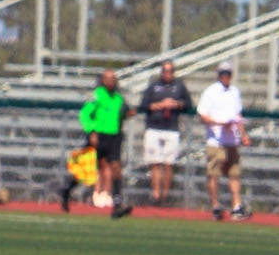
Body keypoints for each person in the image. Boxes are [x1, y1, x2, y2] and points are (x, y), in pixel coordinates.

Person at [74, 70, 133, 219]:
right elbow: (85, 113)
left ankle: (116, 201)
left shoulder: (119, 98)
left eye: (113, 78)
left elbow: (122, 113)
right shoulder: (98, 95)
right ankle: (78, 191)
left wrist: (127, 114)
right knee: (92, 166)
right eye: (107, 78)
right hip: (99, 135)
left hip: (113, 136)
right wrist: (91, 131)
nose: (111, 81)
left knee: (114, 167)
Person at [197, 61, 252, 221]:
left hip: (231, 139)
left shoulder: (235, 92)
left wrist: (243, 135)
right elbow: (203, 115)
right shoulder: (211, 92)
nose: (225, 77)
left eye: (228, 74)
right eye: (223, 74)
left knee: (234, 173)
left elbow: (238, 116)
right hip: (216, 139)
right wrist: (219, 122)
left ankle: (236, 206)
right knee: (214, 173)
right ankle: (215, 206)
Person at [137, 60, 191, 205]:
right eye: (165, 70)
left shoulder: (179, 86)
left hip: (171, 128)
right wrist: (160, 105)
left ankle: (165, 195)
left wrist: (176, 104)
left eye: (170, 70)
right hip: (154, 127)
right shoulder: (153, 86)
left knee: (168, 163)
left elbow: (188, 104)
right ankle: (155, 194)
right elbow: (143, 105)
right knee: (155, 162)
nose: (168, 73)